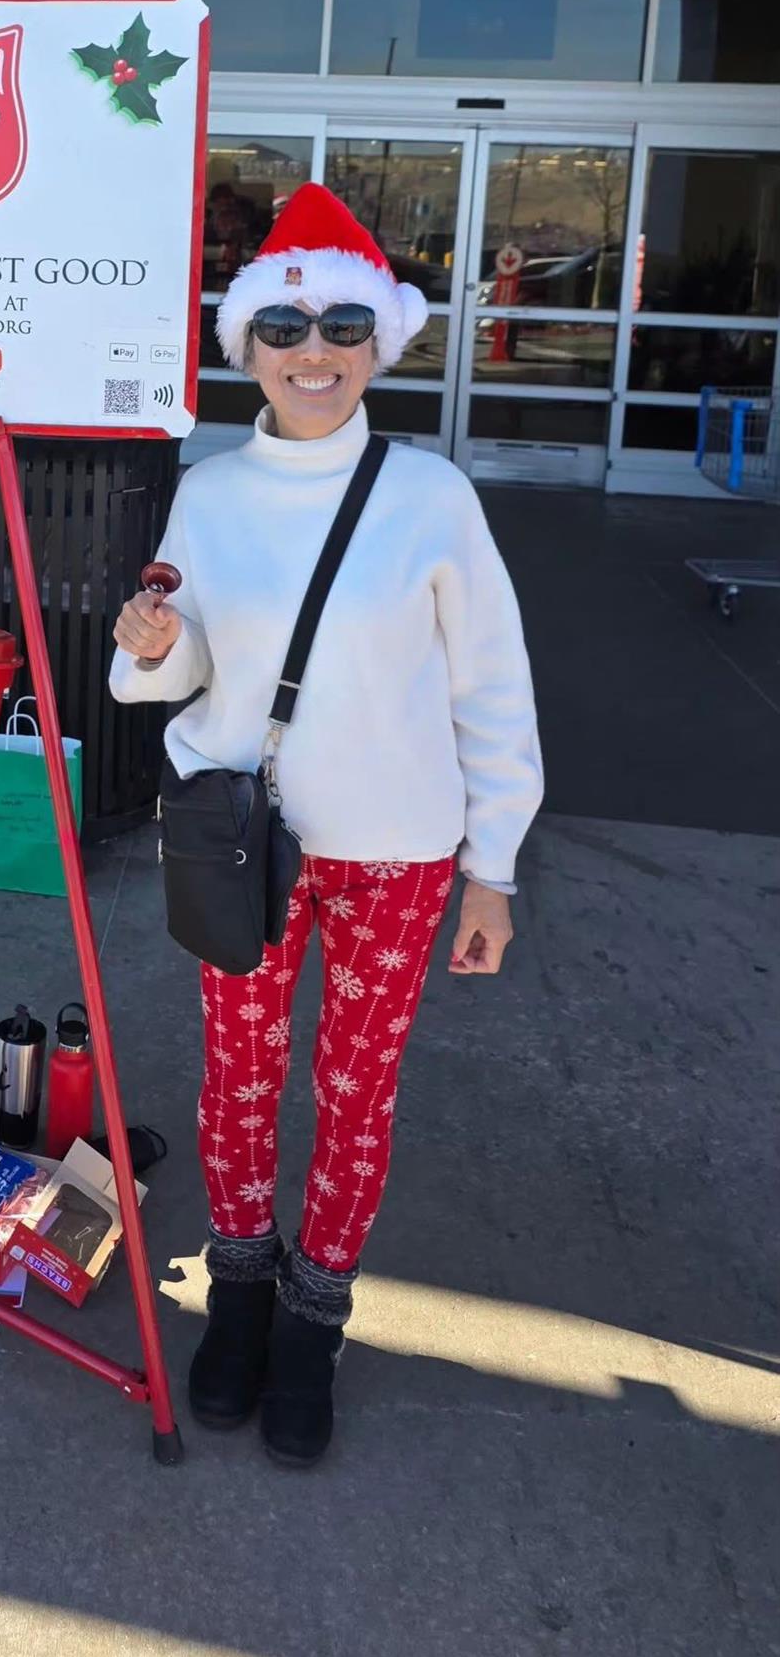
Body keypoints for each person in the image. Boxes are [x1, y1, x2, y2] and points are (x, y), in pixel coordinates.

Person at [110, 183, 542, 1465]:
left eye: (343, 325)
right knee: (238, 1085)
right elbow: (180, 666)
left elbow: (491, 684)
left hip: (397, 854)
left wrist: (492, 869)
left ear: (380, 343)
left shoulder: (430, 498)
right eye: (285, 328)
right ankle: (238, 1292)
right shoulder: (209, 492)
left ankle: (313, 1319)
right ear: (245, 347)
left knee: (355, 1099)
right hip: (243, 843)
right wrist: (150, 644)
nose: (314, 351)